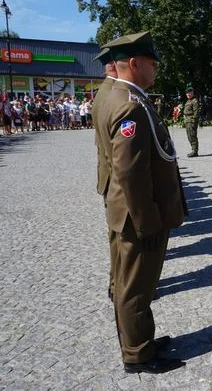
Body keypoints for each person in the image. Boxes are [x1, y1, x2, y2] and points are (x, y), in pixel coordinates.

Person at [96, 31, 188, 374]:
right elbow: (130, 173)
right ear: (134, 64)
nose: (157, 69)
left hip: (129, 211)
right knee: (136, 286)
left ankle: (141, 340)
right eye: (152, 63)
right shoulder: (129, 105)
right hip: (138, 215)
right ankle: (137, 354)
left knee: (134, 282)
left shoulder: (117, 95)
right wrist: (148, 220)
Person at [92, 47, 119, 301]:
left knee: (118, 239)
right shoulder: (114, 94)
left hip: (107, 174)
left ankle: (117, 283)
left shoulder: (104, 92)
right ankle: (118, 285)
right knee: (121, 242)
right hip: (115, 179)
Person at [183, 87, 200, 157]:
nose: (188, 94)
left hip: (191, 121)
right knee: (189, 136)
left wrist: (194, 121)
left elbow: (196, 112)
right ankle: (193, 150)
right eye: (187, 93)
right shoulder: (188, 101)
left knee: (192, 136)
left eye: (189, 93)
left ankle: (195, 151)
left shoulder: (194, 101)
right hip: (187, 120)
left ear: (192, 93)